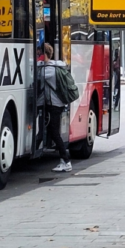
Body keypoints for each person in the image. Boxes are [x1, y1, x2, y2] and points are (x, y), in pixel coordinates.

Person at [38, 42, 73, 172]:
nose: (38, 56)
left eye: (39, 53)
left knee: (54, 133)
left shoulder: (49, 70)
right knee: (53, 131)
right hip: (54, 103)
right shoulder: (53, 66)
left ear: (44, 54)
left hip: (54, 105)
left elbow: (37, 76)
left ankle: (65, 160)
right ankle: (64, 159)